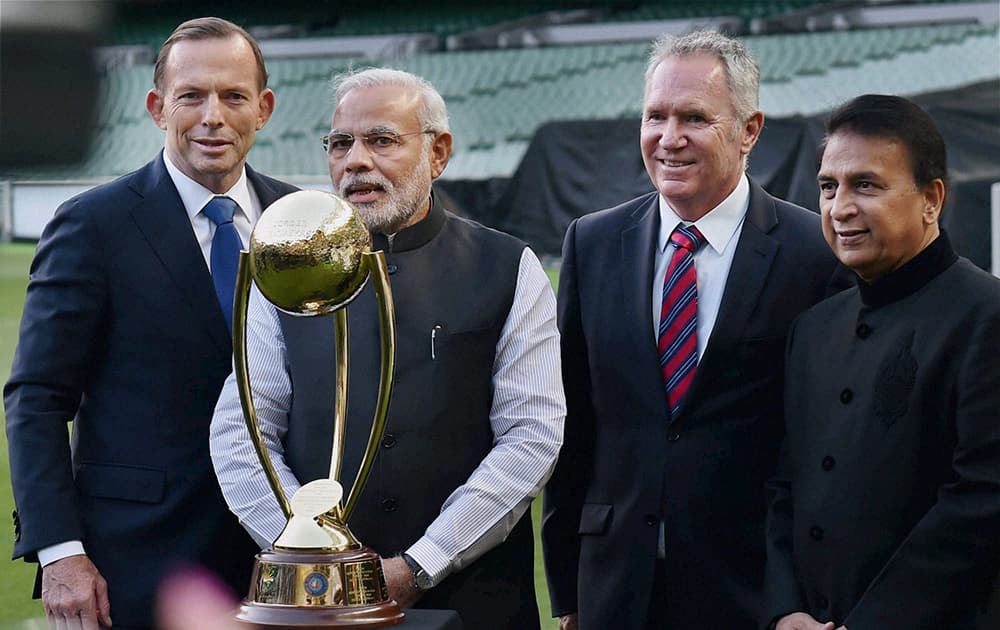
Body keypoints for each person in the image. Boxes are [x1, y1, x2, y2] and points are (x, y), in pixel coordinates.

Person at [210, 67, 565, 630]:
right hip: (316, 605)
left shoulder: (509, 267)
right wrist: (311, 554)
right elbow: (241, 432)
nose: (355, 160)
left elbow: (531, 435)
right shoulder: (279, 269)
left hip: (475, 603)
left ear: (439, 152)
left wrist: (420, 564)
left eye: (381, 140)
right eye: (340, 143)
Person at [541, 30, 850, 630]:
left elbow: (825, 447)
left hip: (752, 590)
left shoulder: (815, 253)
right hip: (615, 589)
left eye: (694, 118)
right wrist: (568, 591)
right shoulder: (593, 242)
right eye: (654, 116)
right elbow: (574, 427)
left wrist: (808, 598)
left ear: (749, 130)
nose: (669, 138)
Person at [4, 17, 296, 630]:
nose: (212, 115)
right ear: (157, 107)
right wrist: (60, 553)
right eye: (191, 96)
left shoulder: (302, 224)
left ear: (263, 108)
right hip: (138, 561)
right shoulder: (92, 225)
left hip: (286, 560)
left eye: (234, 95)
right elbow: (36, 398)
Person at [763, 94, 1000, 630]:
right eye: (828, 186)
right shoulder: (812, 329)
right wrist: (785, 610)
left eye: (865, 184)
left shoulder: (986, 316)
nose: (839, 207)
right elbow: (784, 488)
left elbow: (983, 502)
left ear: (931, 199)